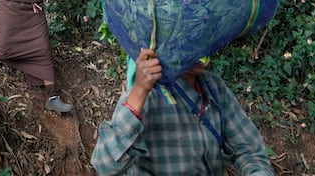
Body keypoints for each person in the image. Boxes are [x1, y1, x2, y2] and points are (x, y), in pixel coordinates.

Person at [91, 47, 275, 175]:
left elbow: (249, 150)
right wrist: (139, 92)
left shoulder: (214, 87)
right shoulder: (148, 96)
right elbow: (104, 166)